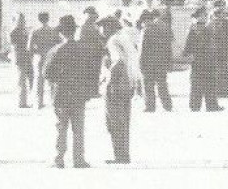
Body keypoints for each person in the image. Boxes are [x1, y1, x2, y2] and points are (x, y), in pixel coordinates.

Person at [43, 14, 98, 168]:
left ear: (61, 32)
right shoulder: (84, 49)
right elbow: (92, 71)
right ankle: (79, 159)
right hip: (79, 93)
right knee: (78, 128)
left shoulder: (56, 50)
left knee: (61, 127)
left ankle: (59, 158)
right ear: (74, 31)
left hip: (61, 93)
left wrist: (58, 78)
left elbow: (46, 73)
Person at [102, 30, 136, 163]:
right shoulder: (124, 39)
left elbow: (118, 62)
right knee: (124, 122)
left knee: (114, 122)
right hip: (126, 85)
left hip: (115, 88)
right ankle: (124, 155)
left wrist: (109, 79)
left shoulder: (112, 41)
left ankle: (119, 156)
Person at [182, 8, 221, 112]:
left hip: (202, 59)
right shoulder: (198, 28)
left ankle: (197, 105)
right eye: (204, 15)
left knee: (200, 83)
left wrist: (187, 53)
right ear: (199, 16)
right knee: (205, 83)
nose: (206, 16)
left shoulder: (201, 28)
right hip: (203, 59)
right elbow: (189, 44)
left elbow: (187, 46)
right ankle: (209, 105)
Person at [137, 10, 175, 112]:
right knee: (162, 85)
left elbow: (142, 49)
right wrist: (168, 61)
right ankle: (167, 105)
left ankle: (150, 106)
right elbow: (168, 46)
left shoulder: (145, 31)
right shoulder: (162, 29)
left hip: (148, 63)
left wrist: (140, 63)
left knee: (148, 86)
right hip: (160, 62)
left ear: (144, 20)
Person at [28, 11, 60, 108]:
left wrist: (33, 54)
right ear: (48, 19)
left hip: (40, 57)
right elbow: (59, 43)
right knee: (51, 80)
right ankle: (53, 101)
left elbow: (29, 48)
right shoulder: (53, 31)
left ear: (39, 19)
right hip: (51, 58)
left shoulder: (35, 31)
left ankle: (39, 102)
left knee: (39, 80)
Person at [208, 2, 228, 106]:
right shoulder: (225, 21)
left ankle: (222, 91)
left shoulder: (213, 22)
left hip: (220, 49)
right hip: (222, 49)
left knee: (222, 70)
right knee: (222, 70)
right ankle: (222, 91)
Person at [8, 13, 33, 108]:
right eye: (20, 20)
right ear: (16, 21)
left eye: (23, 19)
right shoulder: (14, 32)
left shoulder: (25, 31)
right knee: (21, 82)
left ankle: (27, 100)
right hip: (20, 59)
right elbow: (15, 47)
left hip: (27, 58)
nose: (23, 22)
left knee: (29, 80)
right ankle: (22, 102)